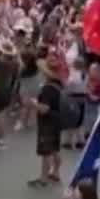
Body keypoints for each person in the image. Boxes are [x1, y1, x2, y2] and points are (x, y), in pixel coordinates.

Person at [30, 54, 66, 187]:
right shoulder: (59, 84)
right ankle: (56, 172)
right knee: (55, 148)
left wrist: (34, 103)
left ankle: (43, 178)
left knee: (45, 151)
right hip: (57, 120)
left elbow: (44, 109)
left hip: (47, 122)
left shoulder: (47, 89)